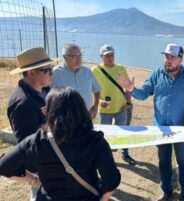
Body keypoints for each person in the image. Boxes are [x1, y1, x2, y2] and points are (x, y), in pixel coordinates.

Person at [0, 87, 121, 201]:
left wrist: (34, 181)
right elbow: (111, 180)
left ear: (50, 113)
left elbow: (4, 166)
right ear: (82, 111)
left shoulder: (36, 142)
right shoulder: (96, 141)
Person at [123, 43, 184, 201]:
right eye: (166, 56)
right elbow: (144, 93)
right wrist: (132, 89)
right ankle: (167, 191)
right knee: (164, 161)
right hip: (160, 128)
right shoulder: (156, 73)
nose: (168, 60)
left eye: (172, 57)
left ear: (180, 59)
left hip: (181, 130)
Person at [7, 47, 58, 201]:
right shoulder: (23, 103)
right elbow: (28, 145)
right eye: (47, 70)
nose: (51, 73)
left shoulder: (45, 90)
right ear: (31, 72)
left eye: (51, 69)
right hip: (42, 169)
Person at [91, 44, 137, 166]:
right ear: (101, 56)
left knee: (124, 132)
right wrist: (100, 102)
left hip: (121, 108)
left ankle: (125, 154)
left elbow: (127, 87)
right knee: (104, 135)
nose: (110, 58)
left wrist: (127, 103)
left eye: (112, 55)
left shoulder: (120, 68)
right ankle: (105, 157)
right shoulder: (95, 70)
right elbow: (93, 89)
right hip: (104, 110)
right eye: (107, 56)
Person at [51, 43, 101, 119]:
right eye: (74, 56)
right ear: (65, 57)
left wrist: (95, 106)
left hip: (87, 116)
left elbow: (97, 90)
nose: (78, 59)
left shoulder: (87, 72)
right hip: (66, 119)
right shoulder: (55, 73)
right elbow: (47, 96)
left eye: (80, 55)